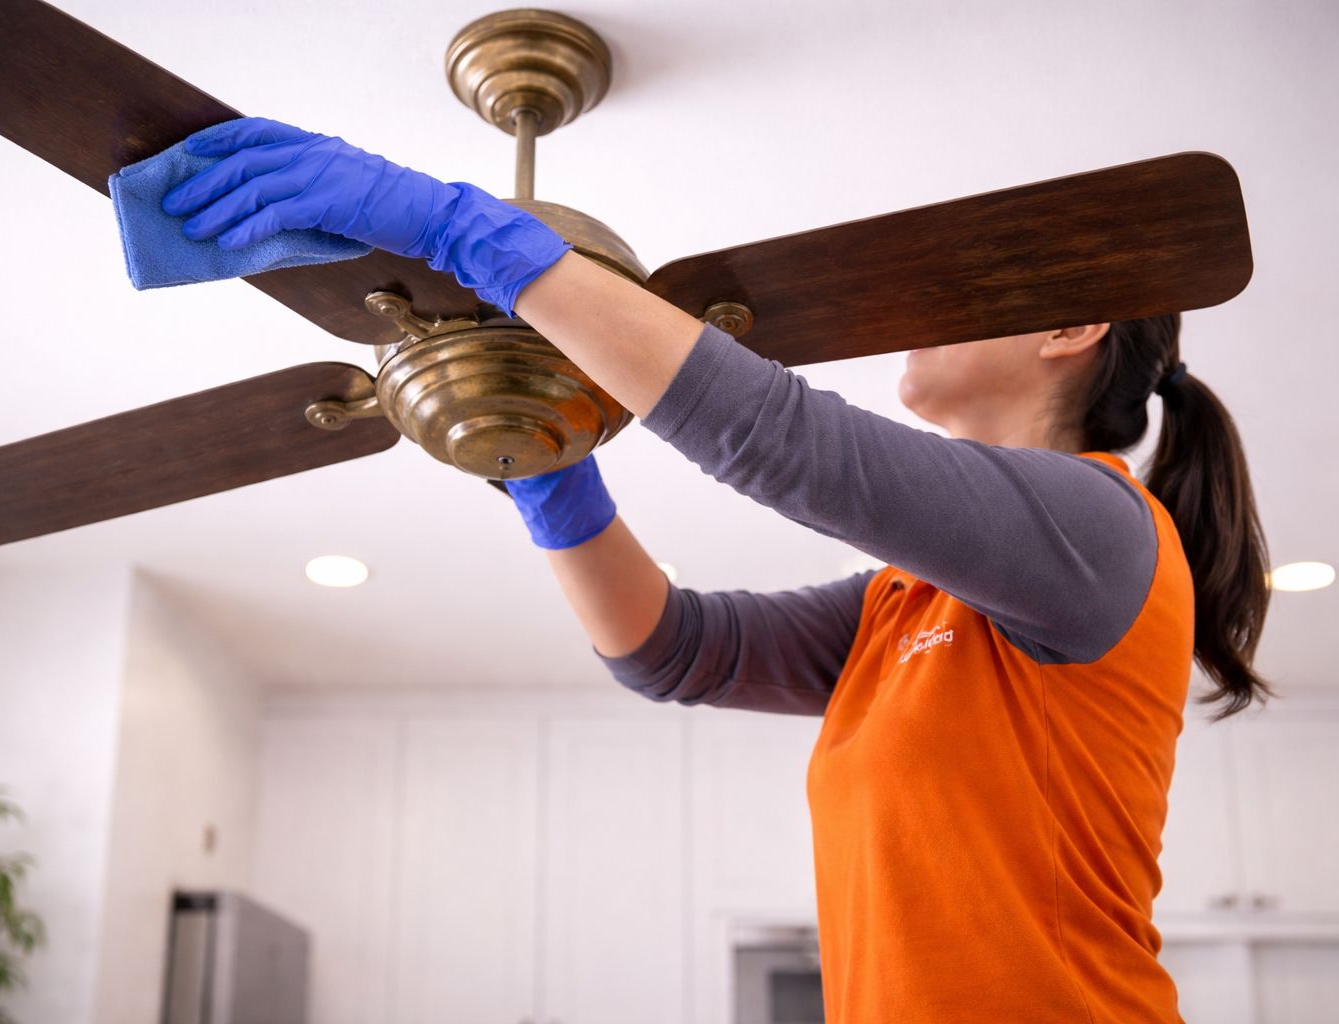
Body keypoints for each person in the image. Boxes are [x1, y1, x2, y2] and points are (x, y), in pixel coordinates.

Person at [162, 118, 1273, 1023]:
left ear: (1073, 326)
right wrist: (549, 471)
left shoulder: (1103, 525)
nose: (923, 314)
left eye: (967, 296)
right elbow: (671, 649)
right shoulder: (913, 602)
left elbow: (789, 444)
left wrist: (468, 234)